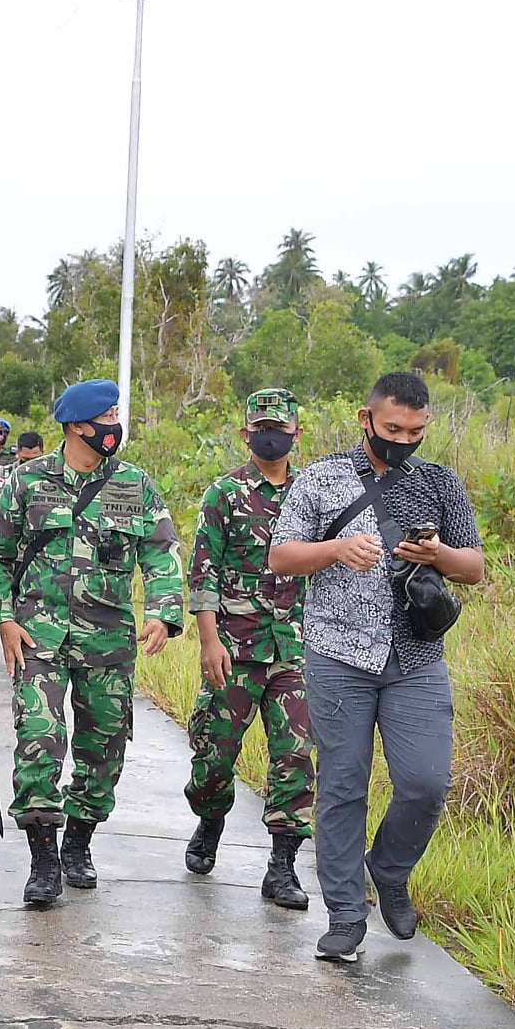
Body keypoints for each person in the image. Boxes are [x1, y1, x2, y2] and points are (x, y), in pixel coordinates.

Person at [268, 371, 484, 964]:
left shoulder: (439, 483)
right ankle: (344, 915)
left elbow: (474, 567)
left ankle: (388, 868)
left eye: (415, 431)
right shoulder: (322, 478)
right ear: (367, 419)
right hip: (339, 651)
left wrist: (438, 554)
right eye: (393, 428)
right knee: (343, 783)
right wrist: (335, 549)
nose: (403, 440)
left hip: (416, 655)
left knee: (426, 783)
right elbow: (282, 555)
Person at [0, 379, 184, 906]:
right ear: (75, 426)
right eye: (106, 417)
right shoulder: (27, 481)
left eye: (116, 415)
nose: (115, 425)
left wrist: (162, 612)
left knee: (104, 750)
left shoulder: (135, 485)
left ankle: (78, 842)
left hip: (108, 642)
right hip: (37, 638)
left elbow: (161, 552)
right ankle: (43, 861)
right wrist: (3, 619)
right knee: (39, 740)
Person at [182, 388, 313, 911]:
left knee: (295, 756)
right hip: (234, 646)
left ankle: (282, 866)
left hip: (294, 647)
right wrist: (208, 640)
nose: (270, 437)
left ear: (296, 434)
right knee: (214, 756)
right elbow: (203, 572)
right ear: (246, 434)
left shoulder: (311, 495)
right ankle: (210, 817)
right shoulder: (224, 494)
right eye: (261, 428)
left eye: (279, 428)